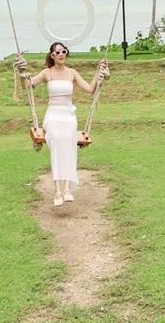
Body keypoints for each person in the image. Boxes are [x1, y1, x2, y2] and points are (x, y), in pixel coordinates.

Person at [25, 42, 110, 206]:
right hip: (53, 114)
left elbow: (90, 89)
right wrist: (21, 73)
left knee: (68, 139)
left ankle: (67, 190)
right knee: (56, 138)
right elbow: (28, 86)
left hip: (68, 115)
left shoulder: (72, 73)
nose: (61, 54)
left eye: (64, 51)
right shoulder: (46, 73)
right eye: (57, 52)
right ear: (52, 56)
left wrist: (99, 73)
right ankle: (57, 190)